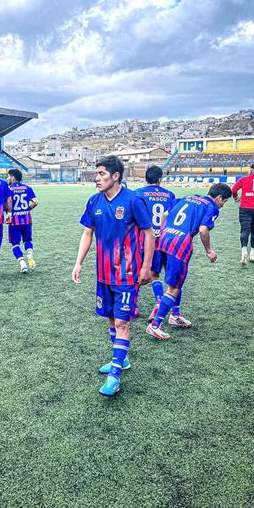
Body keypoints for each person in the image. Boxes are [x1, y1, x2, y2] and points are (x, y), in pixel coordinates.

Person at [72, 155, 154, 397]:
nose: (96, 178)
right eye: (96, 174)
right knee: (110, 318)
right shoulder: (94, 201)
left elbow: (149, 234)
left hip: (128, 273)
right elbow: (88, 234)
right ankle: (123, 359)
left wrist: (146, 266)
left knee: (122, 322)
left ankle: (115, 375)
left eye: (101, 174)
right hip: (103, 273)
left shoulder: (133, 200)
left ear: (115, 176)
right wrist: (78, 263)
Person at [146, 183, 232, 340]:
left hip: (163, 239)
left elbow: (165, 214)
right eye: (224, 201)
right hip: (179, 245)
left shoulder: (188, 197)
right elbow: (203, 230)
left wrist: (166, 231)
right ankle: (155, 325)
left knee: (175, 283)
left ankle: (175, 315)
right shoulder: (211, 207)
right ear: (219, 197)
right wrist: (209, 251)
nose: (222, 205)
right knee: (173, 288)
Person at [133, 165, 181, 323]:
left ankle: (134, 306)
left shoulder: (138, 194)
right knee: (157, 275)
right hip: (164, 240)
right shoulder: (170, 195)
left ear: (145, 178)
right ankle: (161, 303)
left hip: (144, 239)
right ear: (160, 179)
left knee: (137, 272)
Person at [7, 168, 39, 273]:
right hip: (26, 219)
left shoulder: (8, 189)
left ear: (12, 177)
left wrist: (7, 212)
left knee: (15, 243)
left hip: (14, 220)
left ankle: (22, 263)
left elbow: (7, 204)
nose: (8, 178)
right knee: (28, 240)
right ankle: (29, 255)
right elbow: (35, 202)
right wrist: (27, 209)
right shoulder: (27, 188)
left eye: (8, 176)